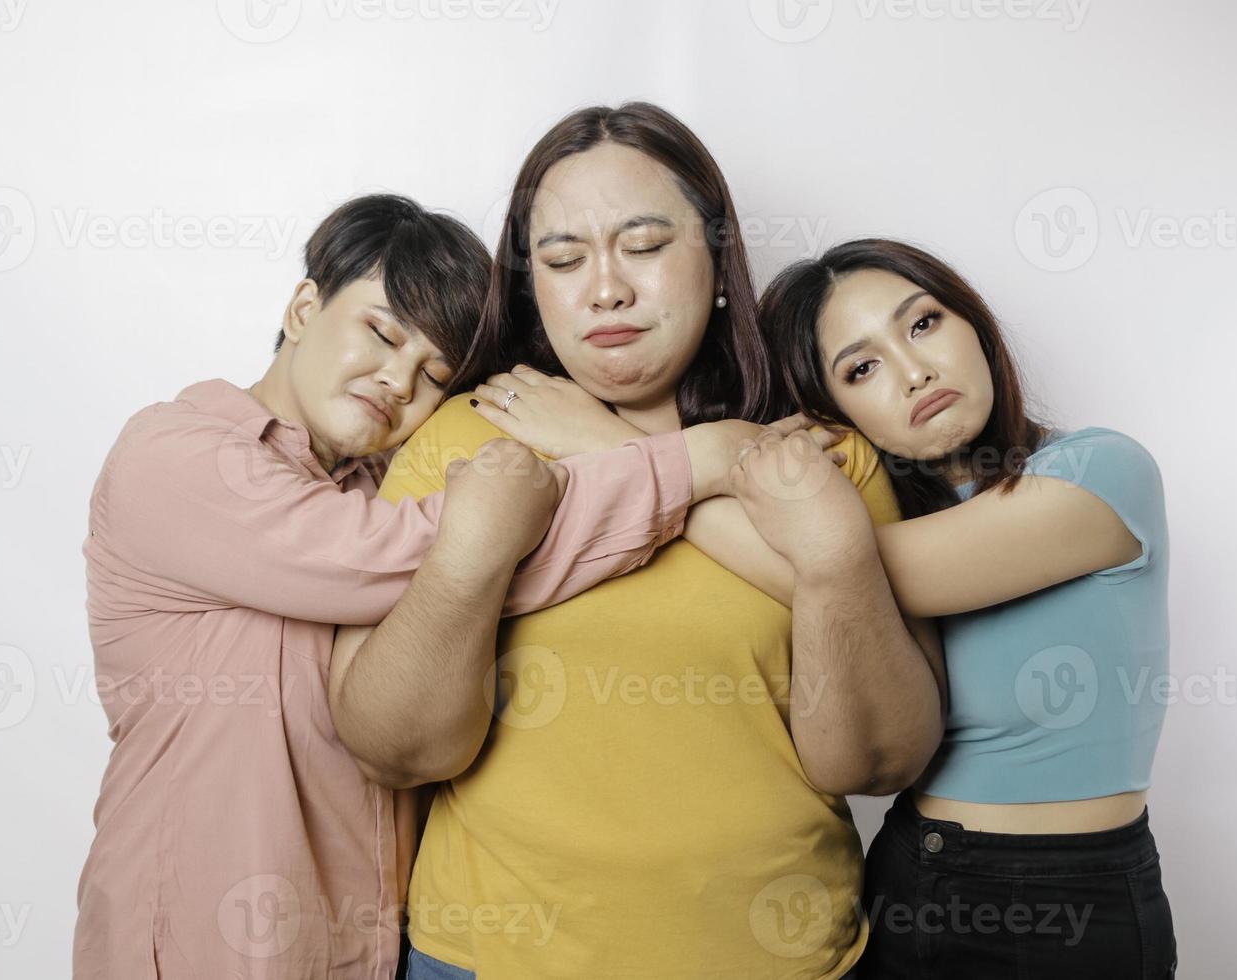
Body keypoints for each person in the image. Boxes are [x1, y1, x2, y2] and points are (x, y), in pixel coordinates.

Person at [72, 193, 786, 979]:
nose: (394, 381)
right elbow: (411, 552)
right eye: (380, 333)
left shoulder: (383, 481)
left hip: (368, 946)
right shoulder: (176, 455)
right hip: (198, 939)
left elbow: (489, 569)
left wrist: (562, 481)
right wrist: (696, 461)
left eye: (431, 374)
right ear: (306, 306)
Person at [331, 103, 945, 980]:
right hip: (490, 961)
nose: (606, 288)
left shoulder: (820, 455)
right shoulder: (467, 439)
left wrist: (832, 554)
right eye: (563, 258)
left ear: (720, 263)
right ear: (531, 286)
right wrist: (475, 554)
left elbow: (881, 761)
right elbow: (394, 747)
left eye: (646, 246)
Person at [753, 238, 1177, 979]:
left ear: (974, 326)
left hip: (1071, 904)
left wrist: (655, 471)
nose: (914, 371)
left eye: (922, 324)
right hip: (907, 875)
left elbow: (842, 567)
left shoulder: (1098, 471)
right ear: (834, 413)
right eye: (862, 367)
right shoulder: (870, 523)